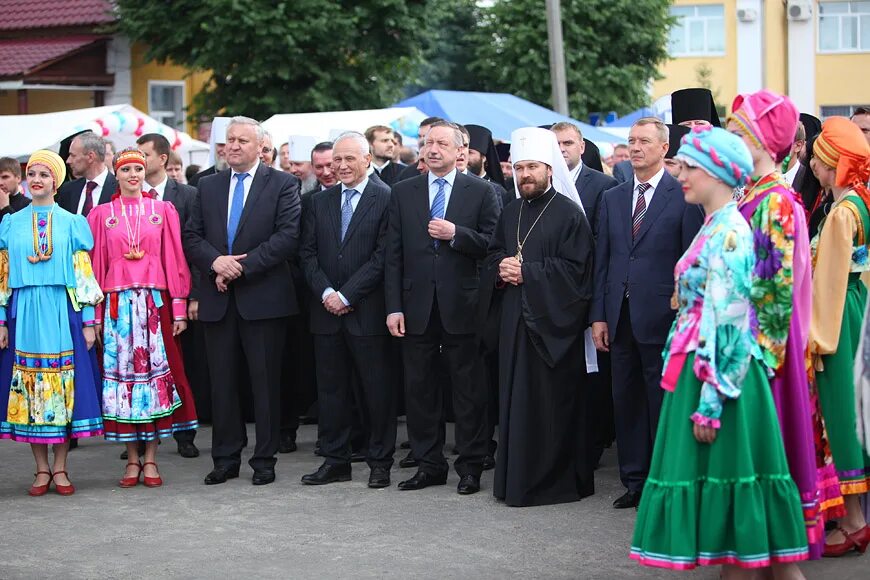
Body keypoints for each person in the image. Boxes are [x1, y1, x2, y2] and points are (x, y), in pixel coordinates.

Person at [630, 125, 809, 577]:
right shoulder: (719, 224)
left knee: (735, 512)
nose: (682, 174)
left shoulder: (728, 232)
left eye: (691, 166)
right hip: (710, 372)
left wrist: (710, 403)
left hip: (717, 379)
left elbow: (728, 319)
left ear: (717, 171)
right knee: (742, 526)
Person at [726, 89, 822, 558]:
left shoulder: (777, 202)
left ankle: (769, 548)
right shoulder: (756, 194)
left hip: (765, 355)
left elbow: (775, 294)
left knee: (769, 449)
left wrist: (756, 361)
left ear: (760, 141)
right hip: (748, 344)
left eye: (735, 133)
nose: (729, 142)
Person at [590, 118, 704, 509]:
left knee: (662, 402)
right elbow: (602, 259)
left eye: (643, 141)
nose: (635, 147)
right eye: (630, 141)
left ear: (663, 147)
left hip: (663, 316)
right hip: (619, 316)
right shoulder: (613, 197)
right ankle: (634, 480)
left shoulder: (683, 195)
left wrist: (686, 316)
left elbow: (689, 259)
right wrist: (599, 315)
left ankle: (664, 480)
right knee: (627, 400)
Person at [184, 116, 301, 486]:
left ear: (261, 148)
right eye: (229, 140)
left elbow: (287, 237)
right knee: (222, 383)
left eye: (241, 141)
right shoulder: (208, 186)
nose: (233, 146)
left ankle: (264, 460)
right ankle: (225, 458)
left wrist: (238, 268)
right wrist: (215, 262)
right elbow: (192, 236)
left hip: (264, 300)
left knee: (265, 384)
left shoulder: (283, 184)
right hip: (218, 301)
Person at [385, 121, 499, 495]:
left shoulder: (481, 191)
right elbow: (393, 254)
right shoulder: (402, 192)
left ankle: (470, 466)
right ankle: (428, 464)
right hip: (416, 306)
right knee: (419, 391)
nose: (432, 149)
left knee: (467, 392)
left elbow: (492, 245)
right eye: (427, 143)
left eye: (440, 144)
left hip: (463, 306)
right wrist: (394, 307)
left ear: (459, 151)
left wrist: (457, 235)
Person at [483, 127, 596, 506]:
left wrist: (528, 272)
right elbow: (494, 254)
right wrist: (501, 268)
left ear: (549, 169)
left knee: (547, 406)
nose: (525, 174)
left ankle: (550, 484)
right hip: (514, 321)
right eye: (519, 168)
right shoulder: (511, 210)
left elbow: (578, 273)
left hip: (551, 330)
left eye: (532, 167)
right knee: (513, 402)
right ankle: (515, 481)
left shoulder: (569, 214)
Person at [88, 148, 197, 488]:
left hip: (154, 306)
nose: (133, 174)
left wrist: (179, 307)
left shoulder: (163, 211)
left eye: (138, 168)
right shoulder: (102, 215)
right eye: (126, 169)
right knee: (123, 383)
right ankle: (131, 460)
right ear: (116, 174)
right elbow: (94, 267)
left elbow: (174, 259)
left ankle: (151, 459)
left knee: (153, 381)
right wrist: (95, 314)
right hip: (118, 306)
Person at [0, 150, 103, 496]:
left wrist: (89, 320)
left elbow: (83, 273)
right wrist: (1, 319)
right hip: (25, 310)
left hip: (62, 308)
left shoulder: (74, 223)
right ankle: (40, 469)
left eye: (44, 174)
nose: (37, 180)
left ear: (56, 181)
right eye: (32, 174)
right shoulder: (10, 223)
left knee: (62, 387)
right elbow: (2, 276)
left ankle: (61, 468)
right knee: (30, 386)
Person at [299, 132, 395, 487]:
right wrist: (326, 292)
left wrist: (347, 294)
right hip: (325, 312)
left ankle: (380, 462)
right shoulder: (317, 202)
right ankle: (336, 460)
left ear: (367, 159)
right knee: (331, 391)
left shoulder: (386, 198)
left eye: (349, 159)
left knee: (376, 391)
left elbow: (384, 255)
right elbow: (306, 254)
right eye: (336, 159)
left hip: (367, 311)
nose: (340, 166)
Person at [808, 116, 870, 556]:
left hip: (837, 315)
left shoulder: (840, 215)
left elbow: (828, 281)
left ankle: (853, 520)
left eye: (818, 157)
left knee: (839, 410)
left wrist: (818, 339)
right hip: (857, 305)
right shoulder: (861, 202)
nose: (812, 164)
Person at [136, 132, 202, 459]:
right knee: (141, 366)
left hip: (175, 295)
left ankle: (184, 434)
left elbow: (194, 249)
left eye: (144, 155)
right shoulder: (123, 196)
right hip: (138, 298)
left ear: (162, 159)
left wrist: (191, 296)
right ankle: (144, 434)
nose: (138, 163)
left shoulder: (188, 196)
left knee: (179, 365)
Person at [57, 131, 118, 215]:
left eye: (73, 155)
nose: (68, 161)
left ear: (90, 157)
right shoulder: (68, 190)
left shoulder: (121, 190)